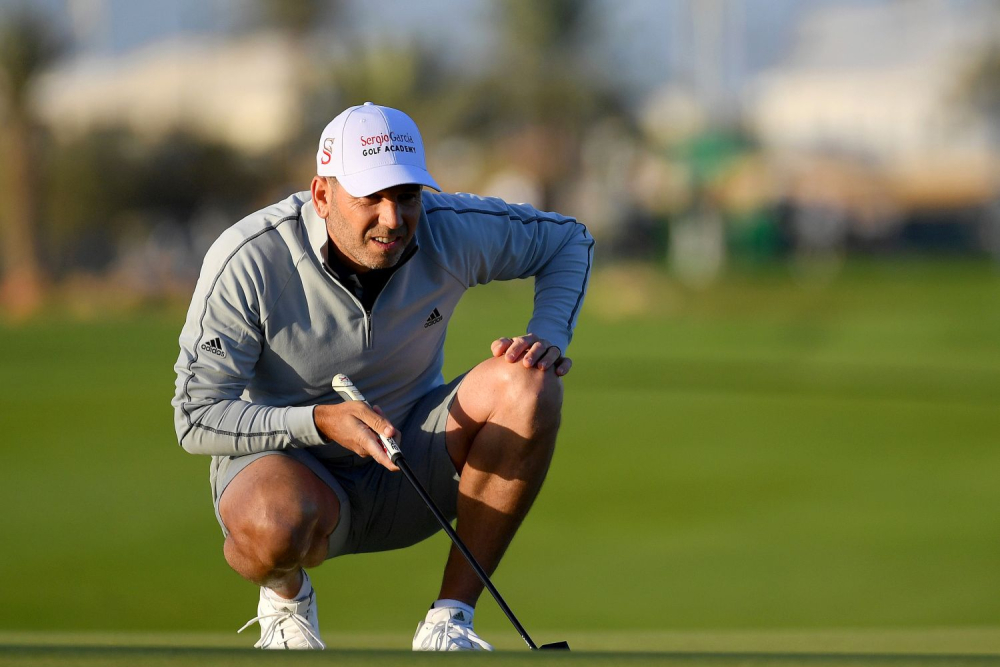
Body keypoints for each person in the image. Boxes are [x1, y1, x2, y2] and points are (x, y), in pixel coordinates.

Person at [171, 102, 593, 651]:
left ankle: (451, 622)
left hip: (411, 463)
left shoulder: (449, 229)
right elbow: (195, 416)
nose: (393, 218)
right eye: (371, 197)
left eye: (407, 196)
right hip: (290, 471)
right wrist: (320, 422)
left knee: (530, 381)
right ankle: (285, 603)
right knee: (271, 522)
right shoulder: (250, 258)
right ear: (322, 195)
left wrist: (546, 338)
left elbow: (568, 241)